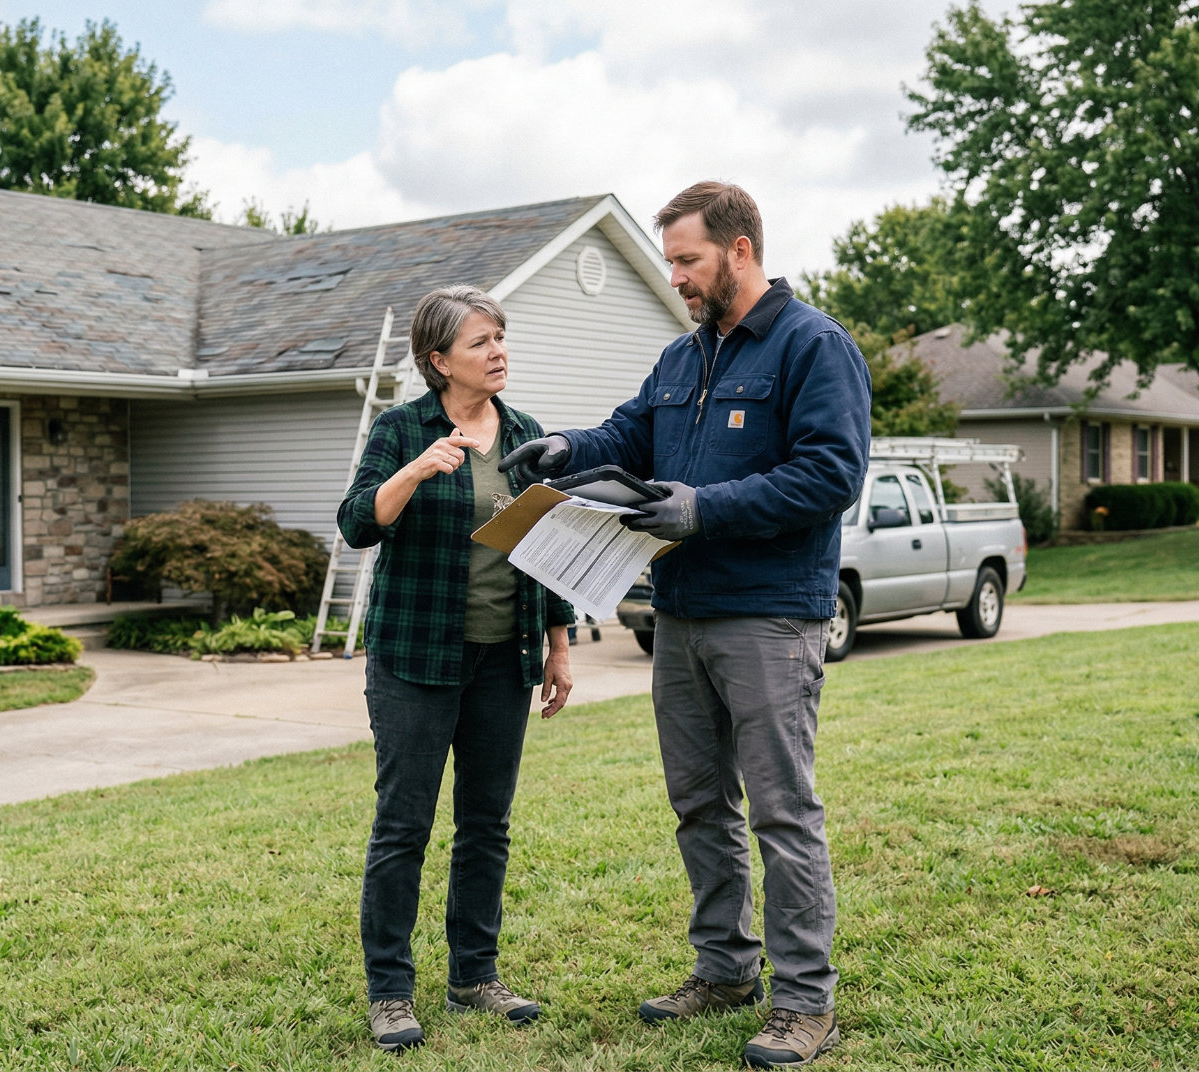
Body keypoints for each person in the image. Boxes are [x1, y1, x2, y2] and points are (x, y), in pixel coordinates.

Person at [501, 181, 870, 1069]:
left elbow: (831, 474)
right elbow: (630, 435)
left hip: (770, 616)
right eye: (669, 262)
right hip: (681, 615)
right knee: (699, 803)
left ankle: (805, 1002)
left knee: (781, 811)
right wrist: (567, 448)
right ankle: (725, 969)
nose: (675, 278)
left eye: (687, 260)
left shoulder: (813, 345)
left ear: (740, 250)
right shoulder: (680, 357)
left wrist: (705, 508)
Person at [338, 284, 577, 1053]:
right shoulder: (402, 428)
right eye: (481, 342)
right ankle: (390, 991)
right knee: (403, 825)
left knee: (486, 824)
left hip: (505, 657)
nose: (498, 351)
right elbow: (356, 524)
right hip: (416, 657)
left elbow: (546, 544)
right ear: (439, 360)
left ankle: (475, 974)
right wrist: (414, 471)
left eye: (500, 337)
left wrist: (558, 645)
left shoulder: (527, 433)